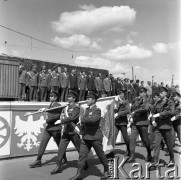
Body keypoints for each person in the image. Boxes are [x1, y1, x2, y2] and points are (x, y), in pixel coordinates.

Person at [70, 91, 109, 180]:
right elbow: (86, 120)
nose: (86, 100)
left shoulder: (97, 110)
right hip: (86, 136)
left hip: (95, 137)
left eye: (88, 99)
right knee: (82, 156)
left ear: (94, 100)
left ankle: (107, 170)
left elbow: (93, 120)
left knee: (100, 155)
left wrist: (83, 119)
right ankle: (79, 174)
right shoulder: (87, 109)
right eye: (86, 98)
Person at [51, 90, 88, 174]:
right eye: (67, 96)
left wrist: (61, 121)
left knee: (79, 149)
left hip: (74, 131)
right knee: (61, 149)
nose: (68, 98)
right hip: (66, 132)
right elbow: (61, 115)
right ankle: (58, 166)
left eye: (69, 97)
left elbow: (72, 118)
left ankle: (85, 164)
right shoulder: (65, 108)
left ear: (74, 99)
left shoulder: (77, 107)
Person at [29, 91, 67, 168]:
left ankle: (63, 157)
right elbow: (49, 111)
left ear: (55, 98)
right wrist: (44, 109)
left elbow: (56, 116)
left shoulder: (58, 105)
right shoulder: (51, 105)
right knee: (43, 143)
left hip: (55, 128)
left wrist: (46, 121)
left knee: (60, 145)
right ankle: (38, 160)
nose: (50, 97)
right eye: (50, 96)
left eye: (52, 96)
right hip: (49, 128)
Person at [150, 87, 175, 167]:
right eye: (159, 93)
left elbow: (171, 112)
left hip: (167, 126)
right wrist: (153, 120)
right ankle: (155, 161)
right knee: (157, 144)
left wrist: (160, 114)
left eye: (161, 93)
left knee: (169, 145)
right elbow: (153, 113)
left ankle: (172, 159)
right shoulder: (158, 102)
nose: (160, 94)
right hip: (158, 127)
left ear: (165, 93)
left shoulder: (170, 102)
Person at [127, 87, 152, 163]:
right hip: (135, 123)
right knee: (132, 139)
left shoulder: (148, 100)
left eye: (141, 93)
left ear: (145, 93)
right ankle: (132, 156)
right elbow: (132, 108)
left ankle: (149, 153)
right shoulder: (136, 100)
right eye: (139, 93)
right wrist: (131, 117)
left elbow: (146, 108)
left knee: (145, 140)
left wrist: (135, 112)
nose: (140, 94)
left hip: (143, 122)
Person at [114, 90, 131, 156]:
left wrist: (118, 114)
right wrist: (116, 103)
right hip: (116, 122)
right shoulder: (115, 101)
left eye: (122, 94)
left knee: (125, 137)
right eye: (119, 94)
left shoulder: (126, 101)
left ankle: (129, 150)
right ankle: (111, 151)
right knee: (113, 137)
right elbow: (114, 109)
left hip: (123, 122)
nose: (121, 95)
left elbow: (128, 110)